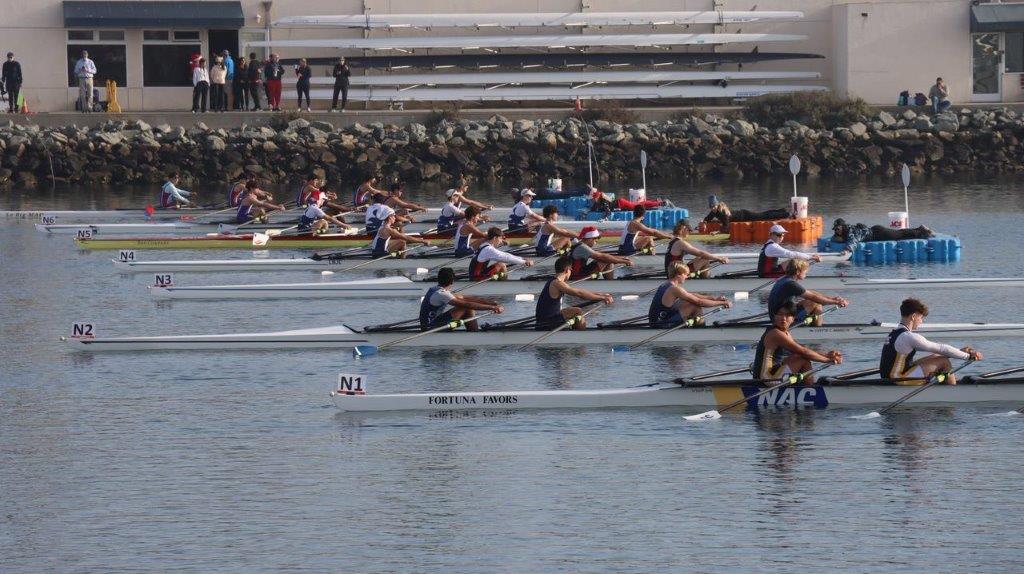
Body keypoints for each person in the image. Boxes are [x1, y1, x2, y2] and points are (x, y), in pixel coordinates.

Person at [880, 298, 982, 385]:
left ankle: (943, 379)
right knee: (944, 362)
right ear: (913, 316)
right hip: (898, 379)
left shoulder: (895, 333)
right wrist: (968, 356)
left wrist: (959, 351)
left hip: (892, 376)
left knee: (936, 356)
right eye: (921, 317)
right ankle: (952, 391)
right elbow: (942, 348)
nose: (921, 321)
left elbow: (941, 352)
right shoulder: (909, 337)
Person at [752, 301, 843, 384]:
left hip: (772, 373)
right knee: (802, 358)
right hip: (767, 379)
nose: (783, 318)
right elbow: (803, 352)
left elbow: (802, 350)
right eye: (780, 314)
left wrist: (826, 355)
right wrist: (827, 360)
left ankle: (809, 387)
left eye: (787, 315)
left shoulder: (785, 333)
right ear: (774, 316)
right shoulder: (775, 333)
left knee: (798, 357)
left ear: (793, 319)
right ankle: (811, 390)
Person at [534, 256, 614, 331]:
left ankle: (575, 331)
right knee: (577, 311)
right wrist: (602, 298)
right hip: (546, 322)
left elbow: (580, 291)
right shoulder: (557, 283)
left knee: (571, 310)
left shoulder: (553, 281)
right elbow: (579, 293)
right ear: (567, 270)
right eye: (571, 270)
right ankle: (581, 336)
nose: (571, 272)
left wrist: (601, 295)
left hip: (548, 318)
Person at [648, 262, 732, 328]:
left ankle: (695, 327)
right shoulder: (675, 289)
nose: (687, 277)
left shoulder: (666, 284)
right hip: (660, 325)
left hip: (658, 320)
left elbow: (691, 295)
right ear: (678, 275)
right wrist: (723, 303)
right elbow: (700, 302)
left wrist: (714, 299)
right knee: (695, 306)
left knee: (689, 303)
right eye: (685, 274)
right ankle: (701, 332)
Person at [767, 259, 848, 326]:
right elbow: (814, 298)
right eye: (805, 271)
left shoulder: (784, 279)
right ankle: (816, 330)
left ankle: (815, 327)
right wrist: (836, 302)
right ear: (798, 272)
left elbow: (812, 293)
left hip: (780, 311)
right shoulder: (791, 284)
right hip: (781, 317)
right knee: (815, 302)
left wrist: (832, 298)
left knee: (814, 300)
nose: (806, 273)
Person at [420, 268, 504, 331]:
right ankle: (474, 335)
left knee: (466, 306)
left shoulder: (436, 289)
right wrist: (492, 308)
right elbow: (468, 304)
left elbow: (464, 298)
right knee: (466, 307)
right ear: (452, 282)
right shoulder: (442, 293)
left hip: (431, 323)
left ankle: (473, 333)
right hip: (430, 327)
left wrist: (491, 303)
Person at [664, 220, 728, 276]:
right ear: (683, 228)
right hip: (675, 273)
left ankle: (703, 278)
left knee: (700, 258)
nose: (690, 232)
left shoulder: (673, 240)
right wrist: (719, 258)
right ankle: (706, 281)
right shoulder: (680, 243)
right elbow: (701, 253)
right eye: (688, 230)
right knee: (705, 259)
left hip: (671, 270)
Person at [468, 227, 535, 280]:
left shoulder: (484, 245)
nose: (501, 241)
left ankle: (501, 281)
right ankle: (504, 285)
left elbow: (506, 255)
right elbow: (506, 257)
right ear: (495, 238)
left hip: (475, 275)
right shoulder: (488, 249)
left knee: (500, 265)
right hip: (476, 278)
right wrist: (524, 262)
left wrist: (523, 258)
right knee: (501, 265)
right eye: (500, 239)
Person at [703, 199, 790, 227]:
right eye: (711, 207)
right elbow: (708, 218)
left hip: (745, 215)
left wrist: (716, 232)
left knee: (764, 216)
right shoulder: (713, 212)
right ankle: (782, 210)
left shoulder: (723, 213)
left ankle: (786, 214)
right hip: (743, 213)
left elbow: (726, 226)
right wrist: (704, 222)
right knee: (764, 213)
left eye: (713, 206)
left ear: (717, 205)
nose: (712, 208)